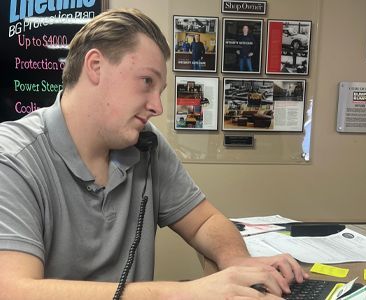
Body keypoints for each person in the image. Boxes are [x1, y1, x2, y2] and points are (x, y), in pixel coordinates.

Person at [0, 8, 308, 300]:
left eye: (158, 90)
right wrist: (183, 293)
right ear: (95, 66)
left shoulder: (146, 142)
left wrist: (236, 261)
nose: (157, 107)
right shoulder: (12, 157)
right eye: (146, 82)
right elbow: (13, 291)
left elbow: (203, 221)